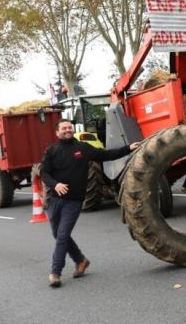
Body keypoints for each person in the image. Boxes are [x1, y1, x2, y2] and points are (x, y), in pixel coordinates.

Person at [41, 119, 140, 288]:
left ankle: (55, 272)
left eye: (69, 128)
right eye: (64, 128)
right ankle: (81, 260)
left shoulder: (82, 148)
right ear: (57, 133)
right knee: (58, 235)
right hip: (55, 200)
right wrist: (55, 185)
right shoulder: (51, 151)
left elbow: (106, 155)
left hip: (74, 201)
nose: (67, 130)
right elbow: (44, 173)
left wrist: (127, 148)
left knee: (63, 236)